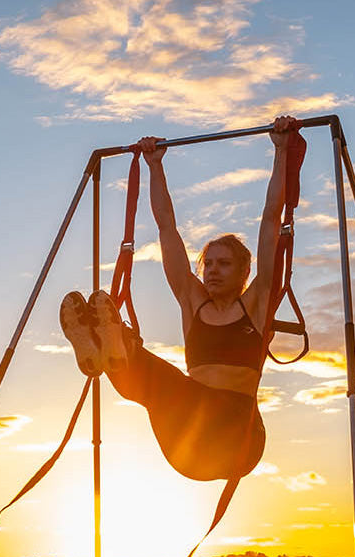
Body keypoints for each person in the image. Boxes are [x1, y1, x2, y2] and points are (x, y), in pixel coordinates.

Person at [60, 115, 300, 481]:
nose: (214, 270)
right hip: (189, 443)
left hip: (239, 439)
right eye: (209, 264)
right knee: (154, 375)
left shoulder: (257, 301)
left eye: (224, 264)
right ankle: (105, 349)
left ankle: (114, 351)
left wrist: (281, 152)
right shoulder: (193, 301)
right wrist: (155, 166)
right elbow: (166, 226)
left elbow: (271, 218)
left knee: (169, 384)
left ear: (243, 272)